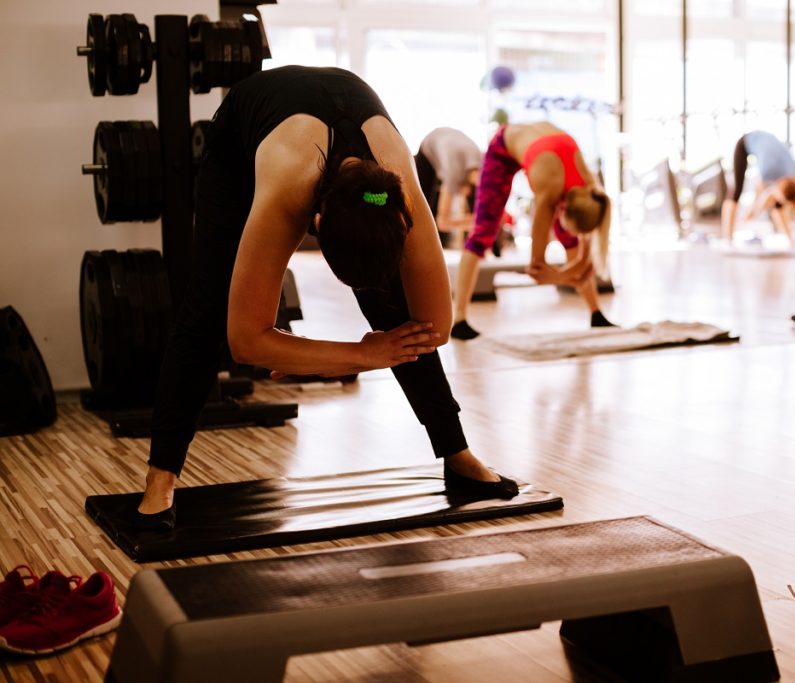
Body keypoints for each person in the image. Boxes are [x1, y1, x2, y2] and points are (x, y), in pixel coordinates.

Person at [135, 66, 518, 531]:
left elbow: (434, 325)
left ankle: (456, 453)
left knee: (400, 318)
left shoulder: (403, 197)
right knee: (206, 311)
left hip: (341, 107)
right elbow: (244, 342)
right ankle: (160, 481)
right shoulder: (287, 193)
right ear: (314, 224)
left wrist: (326, 357)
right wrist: (356, 353)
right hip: (242, 137)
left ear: (401, 225)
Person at [451, 122, 613, 340]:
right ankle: (459, 320)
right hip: (504, 147)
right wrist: (566, 277)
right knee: (482, 233)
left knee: (570, 240)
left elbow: (585, 261)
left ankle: (597, 314)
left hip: (543, 149)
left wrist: (570, 274)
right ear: (563, 209)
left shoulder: (591, 193)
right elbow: (536, 270)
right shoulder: (549, 191)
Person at [721, 130, 795, 246]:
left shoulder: (794, 173)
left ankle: (791, 239)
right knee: (736, 191)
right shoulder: (768, 171)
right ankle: (728, 238)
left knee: (778, 204)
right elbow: (760, 196)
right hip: (745, 143)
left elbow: (774, 199)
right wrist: (750, 214)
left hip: (767, 143)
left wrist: (754, 212)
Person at [414, 127, 481, 249]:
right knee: (421, 208)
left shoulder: (481, 159)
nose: (462, 196)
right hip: (428, 148)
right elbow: (442, 222)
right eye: (466, 195)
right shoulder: (454, 175)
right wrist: (474, 222)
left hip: (448, 138)